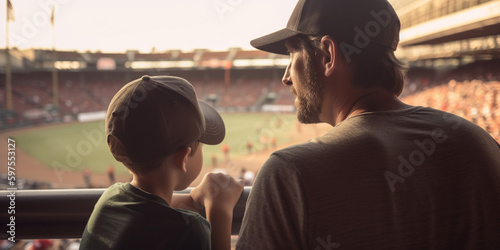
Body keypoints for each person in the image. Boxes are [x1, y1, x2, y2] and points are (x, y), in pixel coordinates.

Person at [237, 0, 500, 249]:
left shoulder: (288, 175)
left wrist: (217, 212)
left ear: (328, 55)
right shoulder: (479, 143)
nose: (286, 77)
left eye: (292, 53)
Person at [80, 76, 244, 250]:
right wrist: (220, 211)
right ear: (183, 159)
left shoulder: (110, 199)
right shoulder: (188, 230)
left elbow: (149, 208)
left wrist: (195, 198)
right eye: (201, 147)